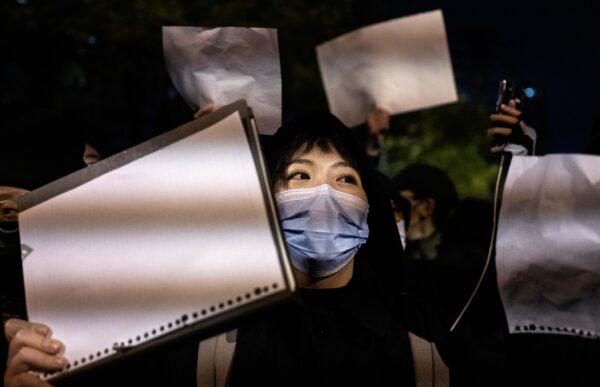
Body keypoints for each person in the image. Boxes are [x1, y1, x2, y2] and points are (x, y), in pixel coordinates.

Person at [4, 111, 450, 387]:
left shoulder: (424, 340)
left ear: (370, 208)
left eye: (345, 178)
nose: (323, 194)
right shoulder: (200, 339)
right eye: (299, 175)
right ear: (266, 201)